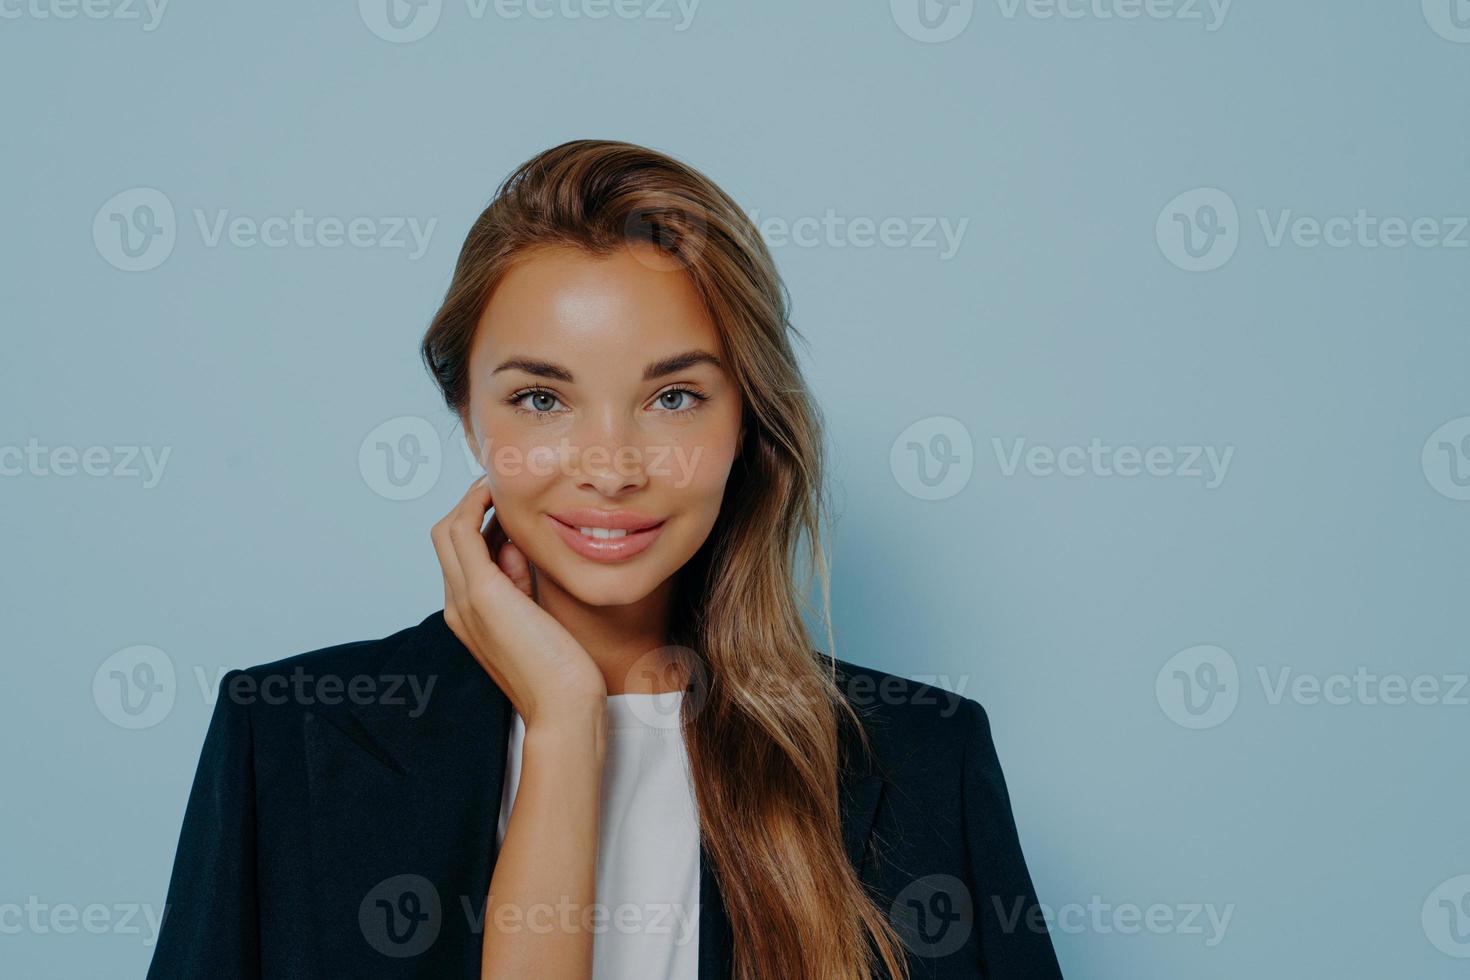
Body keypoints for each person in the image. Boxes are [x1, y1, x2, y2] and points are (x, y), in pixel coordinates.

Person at [144, 139, 1063, 980]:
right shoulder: (289, 743)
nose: (613, 469)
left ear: (746, 419)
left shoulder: (922, 758)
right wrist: (564, 721)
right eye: (542, 399)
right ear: (469, 416)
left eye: (673, 397)